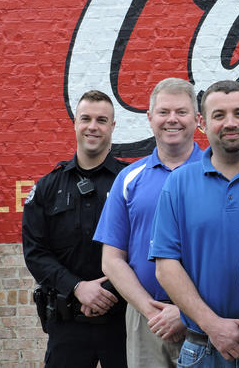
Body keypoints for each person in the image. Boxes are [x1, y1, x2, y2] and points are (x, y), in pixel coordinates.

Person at [149, 80, 239, 368]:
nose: (230, 123)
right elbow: (166, 266)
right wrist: (212, 324)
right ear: (202, 122)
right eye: (219, 115)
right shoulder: (178, 183)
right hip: (203, 349)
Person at [94, 78, 203, 367]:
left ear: (197, 118)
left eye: (181, 112)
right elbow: (112, 260)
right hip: (146, 318)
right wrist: (151, 311)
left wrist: (185, 312)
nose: (172, 119)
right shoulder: (129, 178)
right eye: (164, 112)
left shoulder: (216, 174)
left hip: (208, 317)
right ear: (150, 118)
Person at [22, 90, 129, 368]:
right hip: (67, 324)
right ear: (75, 123)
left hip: (123, 324)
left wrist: (105, 291)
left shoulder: (131, 182)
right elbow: (35, 252)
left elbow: (144, 248)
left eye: (102, 120)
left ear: (113, 126)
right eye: (86, 118)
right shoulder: (48, 187)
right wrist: (77, 287)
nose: (93, 126)